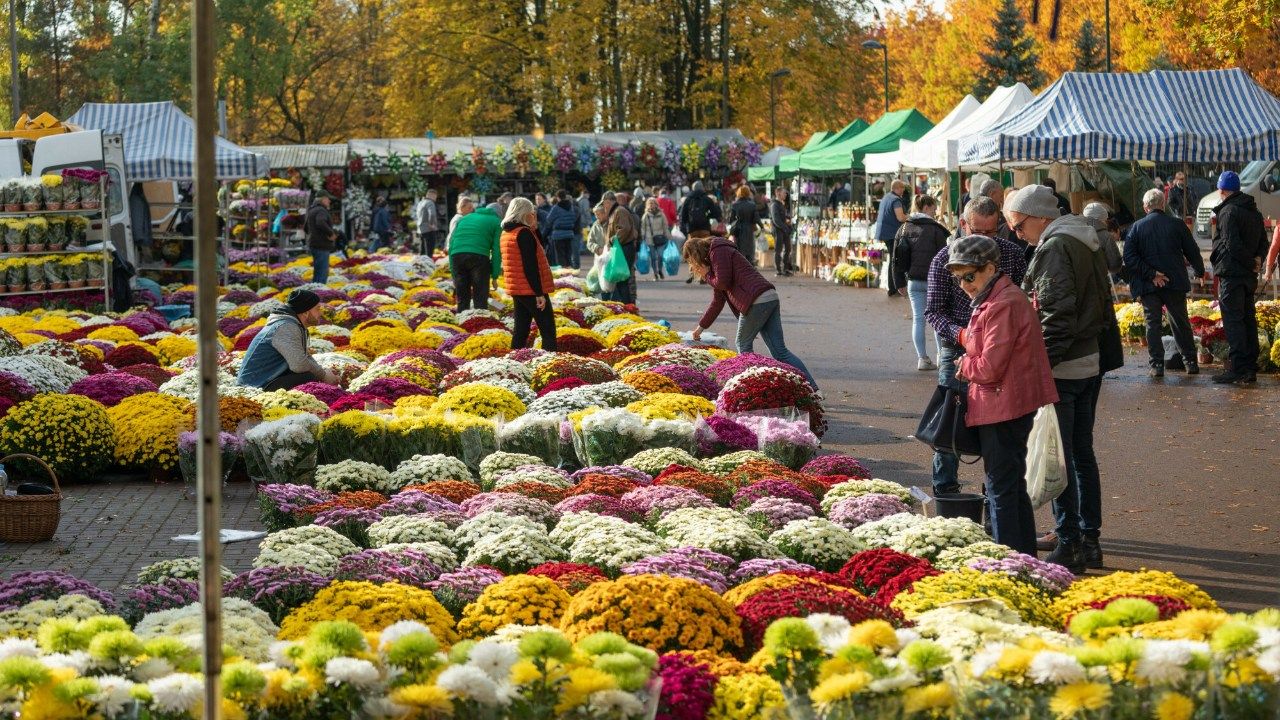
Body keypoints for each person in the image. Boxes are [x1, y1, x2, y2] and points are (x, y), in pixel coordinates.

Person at [1007, 184, 1113, 573]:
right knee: (1082, 453)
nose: (1018, 234)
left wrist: (1042, 366)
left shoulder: (1055, 247)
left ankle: (1069, 541)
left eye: (1019, 226)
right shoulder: (1086, 239)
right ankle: (1091, 540)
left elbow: (1056, 312)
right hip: (1090, 359)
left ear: (1040, 217)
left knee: (1059, 455)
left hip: (1064, 366)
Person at [949, 235, 1058, 556]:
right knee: (1010, 487)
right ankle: (1022, 558)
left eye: (970, 276)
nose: (965, 285)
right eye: (959, 279)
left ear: (991, 269)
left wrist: (963, 363)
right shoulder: (995, 299)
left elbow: (988, 368)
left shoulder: (1003, 303)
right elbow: (987, 344)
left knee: (1001, 490)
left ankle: (1009, 562)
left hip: (1003, 407)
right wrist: (966, 337)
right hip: (1006, 404)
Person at [925, 197, 1029, 497]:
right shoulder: (944, 258)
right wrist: (961, 335)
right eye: (978, 232)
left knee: (998, 419)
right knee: (950, 421)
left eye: (992, 232)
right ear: (963, 225)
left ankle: (994, 490)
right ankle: (945, 490)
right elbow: (933, 311)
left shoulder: (1011, 254)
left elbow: (1020, 297)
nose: (986, 240)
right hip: (956, 349)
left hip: (999, 348)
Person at [684, 235, 817, 388]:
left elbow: (722, 282)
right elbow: (717, 301)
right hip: (768, 297)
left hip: (756, 300)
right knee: (780, 351)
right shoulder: (717, 260)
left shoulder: (717, 251)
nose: (693, 266)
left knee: (742, 343)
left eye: (692, 261)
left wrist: (707, 274)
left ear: (696, 254)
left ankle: (752, 388)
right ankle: (812, 388)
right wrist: (700, 328)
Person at [1123, 189, 1206, 377]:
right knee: (1180, 322)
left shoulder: (1136, 228)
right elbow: (1192, 251)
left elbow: (1129, 258)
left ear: (1146, 207)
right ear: (1163, 204)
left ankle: (1157, 365)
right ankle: (1190, 362)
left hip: (1148, 285)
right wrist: (1200, 271)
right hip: (1174, 281)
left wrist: (1151, 274)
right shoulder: (1177, 225)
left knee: (1153, 324)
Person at [1209, 170, 1267, 384]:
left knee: (1234, 322)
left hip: (1232, 274)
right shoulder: (1253, 211)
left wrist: (1252, 262)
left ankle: (1238, 368)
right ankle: (1249, 367)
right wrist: (1258, 259)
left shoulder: (1228, 211)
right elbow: (1263, 241)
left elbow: (1231, 244)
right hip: (1247, 276)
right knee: (1247, 319)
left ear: (1222, 190)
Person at [237, 289, 340, 390]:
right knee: (308, 378)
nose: (320, 313)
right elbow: (299, 365)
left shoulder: (292, 324)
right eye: (317, 309)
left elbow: (304, 357)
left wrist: (324, 372)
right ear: (306, 312)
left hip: (266, 380)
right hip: (254, 386)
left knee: (310, 375)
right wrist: (323, 376)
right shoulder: (285, 327)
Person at [893, 194, 950, 371]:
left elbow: (896, 257)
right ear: (926, 207)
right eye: (933, 207)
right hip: (934, 280)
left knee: (918, 319)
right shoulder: (936, 229)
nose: (935, 211)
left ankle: (922, 359)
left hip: (913, 280)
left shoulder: (904, 228)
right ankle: (941, 355)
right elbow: (945, 256)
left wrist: (898, 282)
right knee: (937, 318)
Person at [500, 197, 557, 351]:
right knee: (548, 331)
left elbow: (537, 244)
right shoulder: (523, 233)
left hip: (518, 289)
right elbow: (530, 266)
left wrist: (534, 227)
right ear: (525, 213)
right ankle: (549, 362)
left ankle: (515, 362)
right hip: (531, 289)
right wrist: (539, 293)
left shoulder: (507, 232)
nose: (534, 214)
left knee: (521, 331)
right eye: (532, 212)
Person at [448, 200, 502, 312]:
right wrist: (495, 275)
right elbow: (497, 250)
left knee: (462, 296)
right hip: (479, 257)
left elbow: (452, 244)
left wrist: (453, 272)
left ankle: (461, 322)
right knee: (480, 295)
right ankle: (480, 321)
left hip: (457, 255)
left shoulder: (465, 218)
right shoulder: (496, 222)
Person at [606, 190, 640, 304]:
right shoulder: (616, 211)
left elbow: (624, 229)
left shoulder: (619, 211)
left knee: (622, 279)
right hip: (622, 248)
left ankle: (627, 305)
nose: (604, 206)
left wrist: (612, 240)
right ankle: (624, 304)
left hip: (624, 248)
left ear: (609, 201)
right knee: (620, 280)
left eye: (604, 203)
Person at [544, 190, 583, 271]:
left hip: (558, 235)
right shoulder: (571, 207)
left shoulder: (556, 207)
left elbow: (549, 219)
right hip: (569, 234)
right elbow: (573, 218)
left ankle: (563, 275)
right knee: (568, 256)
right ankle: (569, 272)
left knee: (560, 257)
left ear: (558, 197)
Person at [1081, 203, 1123, 277]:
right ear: (1102, 219)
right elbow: (1115, 265)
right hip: (1099, 281)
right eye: (1105, 219)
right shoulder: (1105, 236)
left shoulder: (1076, 233)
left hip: (1081, 282)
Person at [305, 194, 337, 285]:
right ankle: (320, 293)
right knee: (322, 272)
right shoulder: (321, 210)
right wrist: (331, 233)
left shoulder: (312, 210)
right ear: (322, 199)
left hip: (314, 244)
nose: (329, 201)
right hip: (322, 244)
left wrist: (313, 234)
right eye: (328, 199)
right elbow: (320, 222)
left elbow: (305, 228)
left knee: (318, 271)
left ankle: (316, 291)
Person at [728, 185, 763, 266]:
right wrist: (762, 227)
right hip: (749, 230)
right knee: (750, 253)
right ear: (748, 193)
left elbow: (730, 220)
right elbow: (756, 219)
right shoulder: (752, 205)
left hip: (738, 231)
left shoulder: (735, 205)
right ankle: (750, 272)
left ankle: (740, 273)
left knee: (739, 252)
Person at [641, 197, 670, 280]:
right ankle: (655, 273)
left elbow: (665, 226)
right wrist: (642, 237)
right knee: (653, 257)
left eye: (653, 203)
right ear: (647, 205)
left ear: (656, 204)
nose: (652, 205)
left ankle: (660, 270)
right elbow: (643, 227)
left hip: (660, 237)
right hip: (650, 239)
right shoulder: (646, 215)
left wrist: (668, 236)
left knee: (660, 256)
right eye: (650, 203)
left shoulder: (661, 214)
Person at [769, 187, 794, 278]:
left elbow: (782, 218)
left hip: (784, 229)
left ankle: (785, 269)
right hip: (778, 230)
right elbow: (776, 220)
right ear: (778, 193)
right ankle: (778, 270)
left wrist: (788, 225)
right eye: (784, 193)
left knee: (788, 248)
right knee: (778, 250)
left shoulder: (781, 204)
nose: (786, 194)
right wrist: (785, 228)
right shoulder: (774, 205)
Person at [415, 189, 441, 256]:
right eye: (435, 196)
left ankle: (420, 264)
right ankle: (428, 265)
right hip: (429, 229)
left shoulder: (420, 203)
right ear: (432, 195)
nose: (436, 198)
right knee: (429, 251)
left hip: (421, 229)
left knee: (422, 250)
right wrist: (431, 224)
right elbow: (432, 214)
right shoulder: (430, 202)